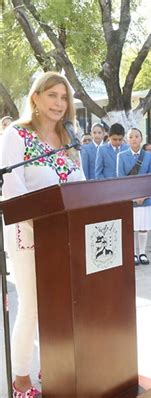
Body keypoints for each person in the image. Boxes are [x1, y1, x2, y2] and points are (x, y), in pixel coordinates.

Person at [0, 71, 85, 397]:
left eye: (64, 98)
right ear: (35, 97)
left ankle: (52, 366)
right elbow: (13, 190)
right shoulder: (16, 135)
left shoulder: (70, 139)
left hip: (67, 236)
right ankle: (20, 380)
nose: (59, 104)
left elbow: (85, 190)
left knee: (62, 307)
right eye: (52, 95)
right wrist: (45, 229)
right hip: (29, 235)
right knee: (34, 307)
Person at [117, 128, 151, 265]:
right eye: (131, 136)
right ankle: (132, 253)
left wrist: (143, 195)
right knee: (131, 227)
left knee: (143, 226)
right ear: (127, 139)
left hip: (145, 197)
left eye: (137, 136)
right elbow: (121, 179)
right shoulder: (121, 156)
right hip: (129, 198)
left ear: (141, 138)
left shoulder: (148, 156)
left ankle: (142, 253)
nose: (134, 139)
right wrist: (132, 197)